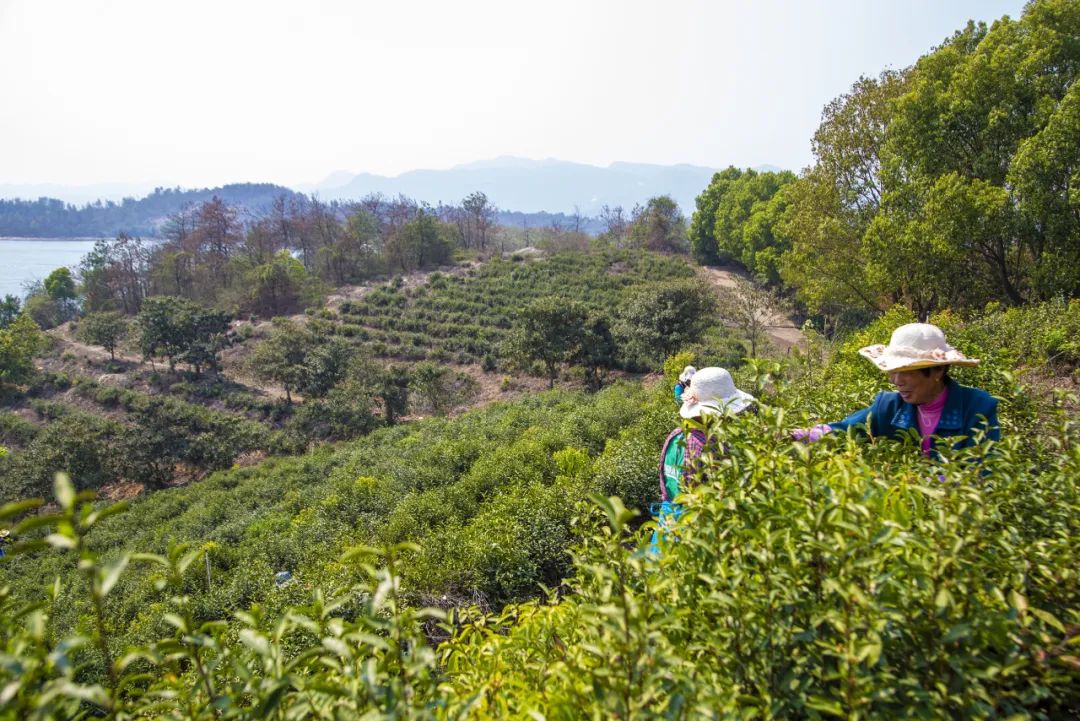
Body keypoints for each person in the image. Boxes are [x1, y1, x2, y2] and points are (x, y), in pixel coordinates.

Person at [793, 323, 999, 455]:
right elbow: (844, 429)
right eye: (893, 371)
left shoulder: (977, 408)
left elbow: (985, 473)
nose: (896, 381)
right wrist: (799, 435)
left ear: (938, 370)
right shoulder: (889, 407)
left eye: (906, 372)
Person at [651, 367, 755, 555]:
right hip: (693, 534)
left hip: (665, 529)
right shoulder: (712, 445)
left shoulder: (675, 436)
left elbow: (666, 486)